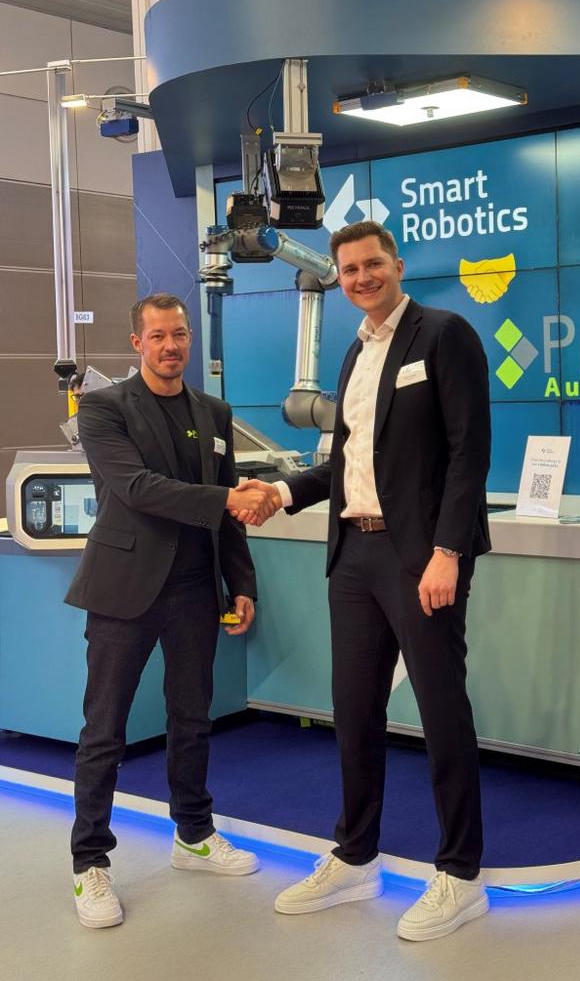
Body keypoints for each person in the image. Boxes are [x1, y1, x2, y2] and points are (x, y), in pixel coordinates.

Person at [233, 221, 492, 942]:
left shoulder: (444, 335)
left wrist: (448, 551)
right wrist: (280, 491)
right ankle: (355, 856)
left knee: (441, 710)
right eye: (348, 270)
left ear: (397, 265)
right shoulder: (354, 352)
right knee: (353, 710)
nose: (360, 278)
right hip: (353, 554)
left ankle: (461, 872)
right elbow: (344, 461)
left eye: (372, 264)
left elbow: (470, 452)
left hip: (420, 557)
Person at [65, 292, 273, 929]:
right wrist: (227, 499)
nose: (171, 346)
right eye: (157, 336)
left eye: (179, 334)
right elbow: (136, 488)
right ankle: (89, 863)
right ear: (137, 343)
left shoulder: (214, 412)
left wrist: (241, 582)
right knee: (105, 729)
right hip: (124, 590)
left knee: (192, 718)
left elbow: (226, 516)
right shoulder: (102, 408)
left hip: (193, 591)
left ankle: (194, 834)